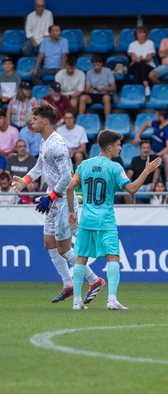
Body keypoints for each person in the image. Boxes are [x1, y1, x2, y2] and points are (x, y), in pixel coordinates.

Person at [11, 102, 103, 304]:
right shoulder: (45, 142)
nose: (31, 122)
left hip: (62, 201)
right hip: (52, 200)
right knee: (48, 244)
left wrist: (50, 197)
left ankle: (94, 280)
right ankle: (68, 284)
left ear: (45, 121)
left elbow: (66, 177)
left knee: (63, 248)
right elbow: (38, 166)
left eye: (34, 119)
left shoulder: (58, 145)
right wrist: (24, 180)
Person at [66, 129, 161, 310]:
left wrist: (72, 212)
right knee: (113, 258)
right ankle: (112, 300)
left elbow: (70, 188)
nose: (120, 149)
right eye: (118, 145)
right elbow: (131, 189)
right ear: (109, 147)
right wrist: (147, 170)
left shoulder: (84, 165)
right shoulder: (115, 167)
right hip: (105, 220)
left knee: (81, 258)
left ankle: (77, 301)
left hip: (86, 220)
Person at [133, 108, 168, 183]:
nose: (155, 117)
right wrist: (137, 135)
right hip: (153, 151)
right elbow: (146, 124)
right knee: (143, 153)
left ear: (162, 117)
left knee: (167, 157)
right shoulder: (157, 123)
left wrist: (157, 155)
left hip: (164, 153)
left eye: (156, 115)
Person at [124, 140, 161, 204]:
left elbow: (157, 170)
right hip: (137, 184)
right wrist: (128, 184)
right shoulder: (135, 159)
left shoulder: (154, 158)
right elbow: (130, 173)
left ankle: (154, 210)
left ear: (150, 149)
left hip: (150, 185)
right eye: (144, 148)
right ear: (140, 149)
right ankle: (132, 210)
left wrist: (154, 182)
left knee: (158, 188)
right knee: (126, 191)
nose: (146, 150)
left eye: (148, 148)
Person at [127, 25, 156, 97]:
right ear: (136, 34)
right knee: (138, 66)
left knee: (138, 68)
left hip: (148, 66)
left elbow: (149, 58)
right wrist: (138, 59)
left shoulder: (150, 43)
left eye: (144, 32)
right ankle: (146, 86)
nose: (142, 34)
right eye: (140, 32)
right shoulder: (132, 45)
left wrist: (143, 59)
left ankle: (137, 91)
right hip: (135, 64)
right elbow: (133, 60)